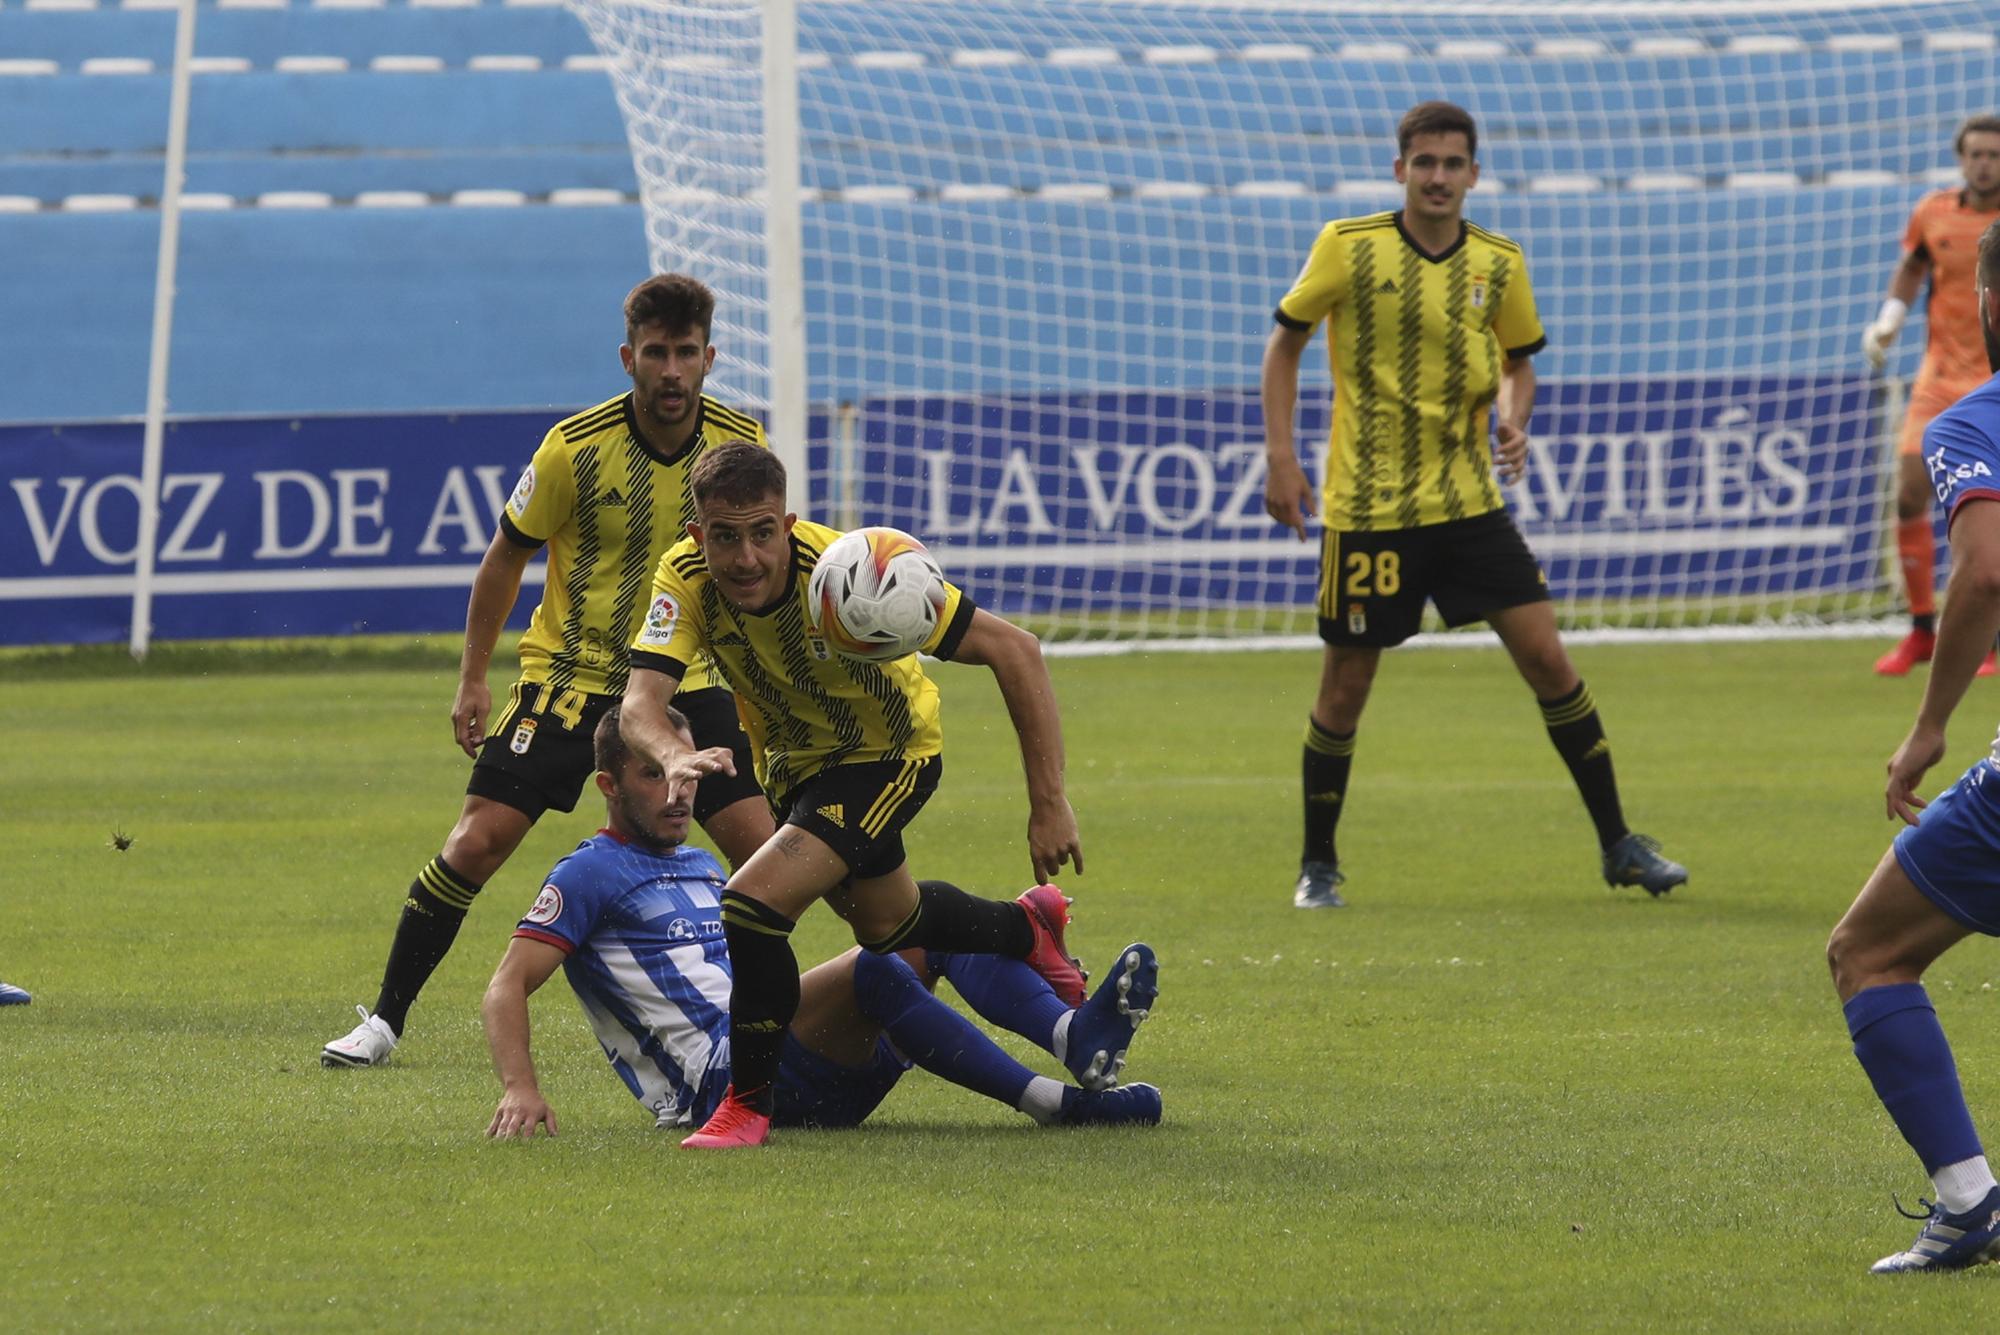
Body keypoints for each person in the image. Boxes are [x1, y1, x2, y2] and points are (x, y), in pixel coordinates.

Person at [322, 275, 777, 1068]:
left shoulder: (739, 445)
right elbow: (505, 557)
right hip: (572, 674)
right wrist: (473, 676)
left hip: (687, 676)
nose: (672, 371)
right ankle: (386, 1019)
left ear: (709, 357)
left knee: (767, 853)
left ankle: (774, 1028)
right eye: (656, 354)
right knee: (476, 841)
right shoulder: (575, 446)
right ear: (629, 356)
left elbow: (757, 566)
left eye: (686, 354)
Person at [1260, 100, 1687, 911]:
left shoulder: (1499, 262)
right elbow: (1284, 343)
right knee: (1345, 688)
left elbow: (1521, 361)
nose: (1438, 177)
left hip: (1469, 506)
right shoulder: (1349, 247)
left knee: (1550, 662)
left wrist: (1515, 418)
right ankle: (1318, 863)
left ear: (1474, 174)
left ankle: (1620, 843)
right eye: (1424, 162)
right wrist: (1281, 457)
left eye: (1454, 164)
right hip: (1370, 509)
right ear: (1400, 171)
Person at [620, 441, 1088, 1148]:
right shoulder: (683, 576)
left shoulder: (858, 572)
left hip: (890, 754)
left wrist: (1049, 801)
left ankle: (746, 1105)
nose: (745, 557)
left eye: (762, 533)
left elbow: (1015, 648)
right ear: (697, 534)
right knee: (890, 928)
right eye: (724, 536)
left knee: (752, 907)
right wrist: (673, 753)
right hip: (797, 767)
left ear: (789, 523)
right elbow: (639, 707)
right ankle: (1029, 927)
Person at [483, 706, 1160, 1139]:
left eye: (686, 773)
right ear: (608, 786)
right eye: (655, 775)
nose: (679, 790)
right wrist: (521, 1087)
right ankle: (1061, 1106)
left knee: (916, 932)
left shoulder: (701, 864)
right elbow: (505, 984)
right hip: (717, 1082)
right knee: (874, 966)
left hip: (793, 1068)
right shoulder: (587, 872)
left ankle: (1072, 1035)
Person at [1828, 219, 2000, 1274]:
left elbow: (1982, 575)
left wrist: (1928, 724)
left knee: (1867, 951)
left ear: (1982, 303)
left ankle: (1967, 1202)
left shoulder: (1968, 422)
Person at [1862, 115, 2000, 677]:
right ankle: (1921, 628)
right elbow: (1913, 267)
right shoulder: (1933, 211)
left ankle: (1988, 639)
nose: (1984, 163)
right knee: (1909, 495)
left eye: (1993, 154)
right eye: (1975, 154)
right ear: (1960, 157)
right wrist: (1888, 320)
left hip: (1993, 380)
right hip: (1939, 377)